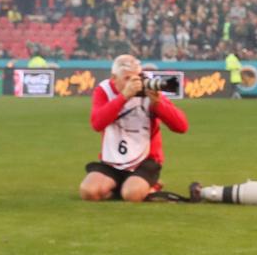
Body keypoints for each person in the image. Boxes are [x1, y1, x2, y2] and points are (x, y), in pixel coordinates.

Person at [79, 54, 189, 203]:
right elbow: (97, 123)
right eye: (127, 79)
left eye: (136, 77)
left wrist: (157, 103)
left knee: (131, 195)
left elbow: (181, 126)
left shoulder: (148, 87)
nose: (134, 83)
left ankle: (149, 185)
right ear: (114, 78)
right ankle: (125, 186)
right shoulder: (104, 91)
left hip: (145, 159)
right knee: (88, 193)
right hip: (113, 159)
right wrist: (124, 97)